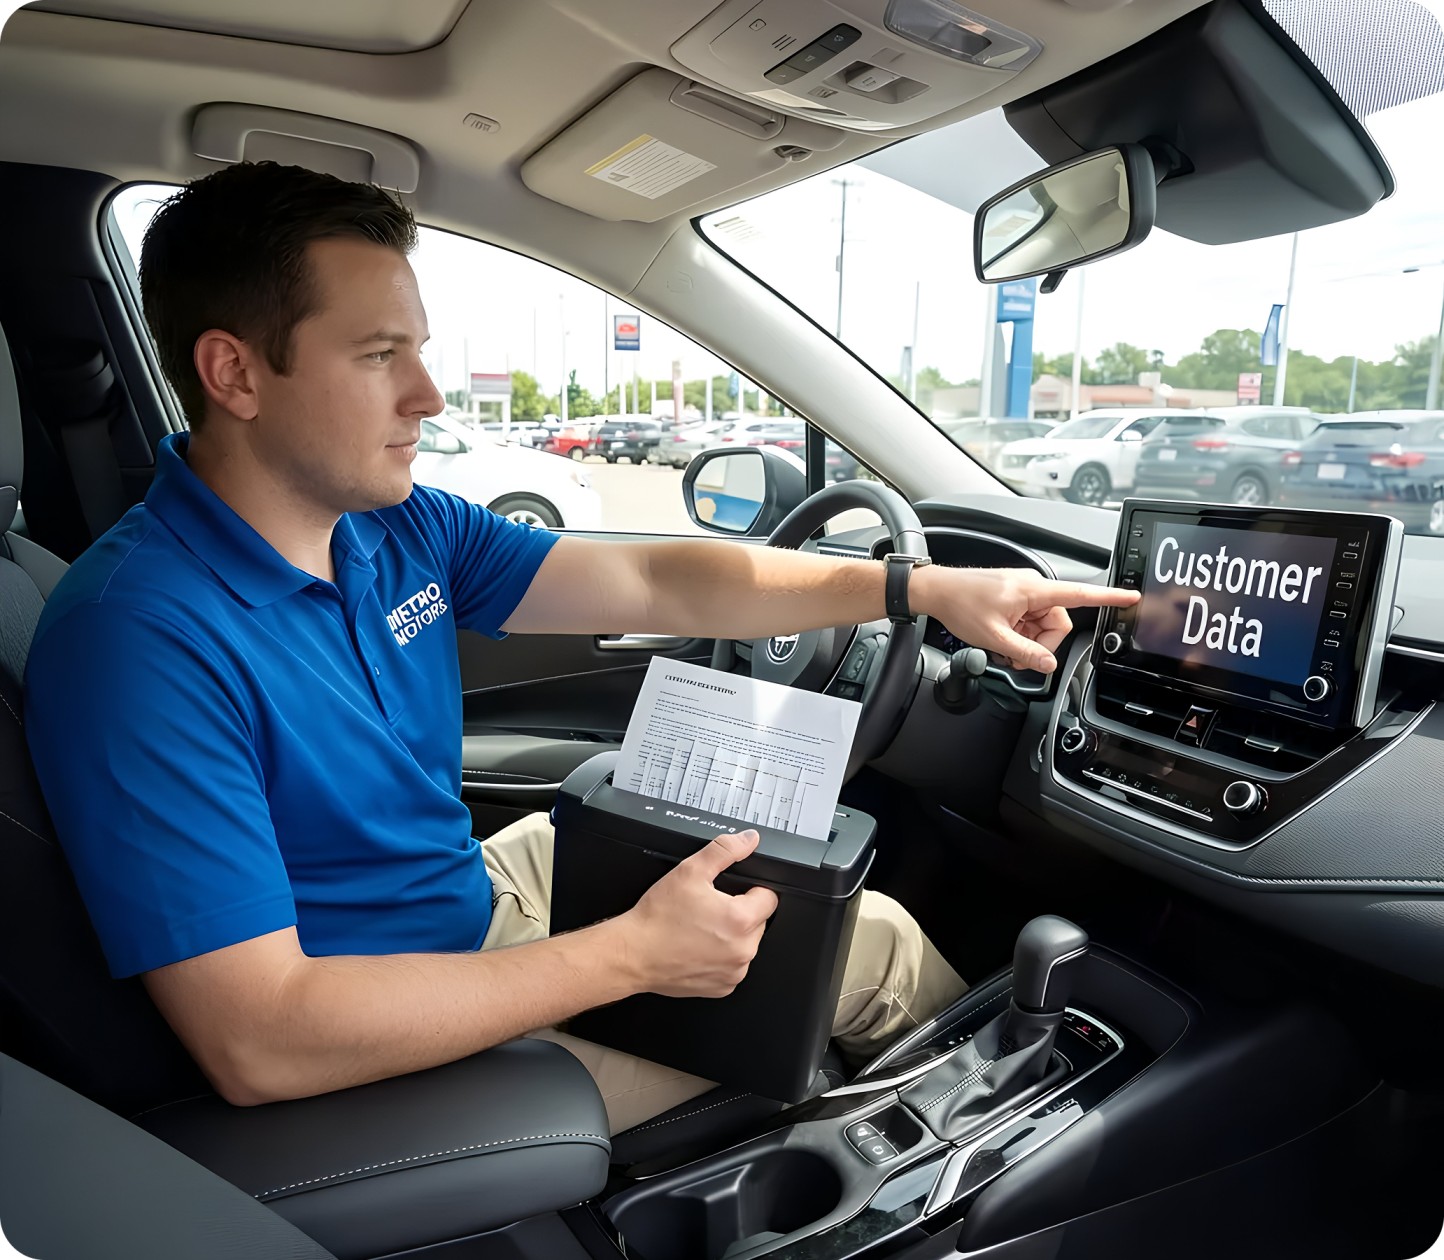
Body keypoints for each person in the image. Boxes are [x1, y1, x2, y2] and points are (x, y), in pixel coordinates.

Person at [23, 162, 1139, 1131]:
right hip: (375, 1035)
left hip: (461, 907)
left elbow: (660, 574)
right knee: (865, 957)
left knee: (841, 912)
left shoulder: (385, 524)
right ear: (234, 374)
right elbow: (261, 1042)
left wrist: (919, 585)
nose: (426, 392)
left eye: (418, 349)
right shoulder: (140, 639)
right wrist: (631, 956)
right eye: (377, 356)